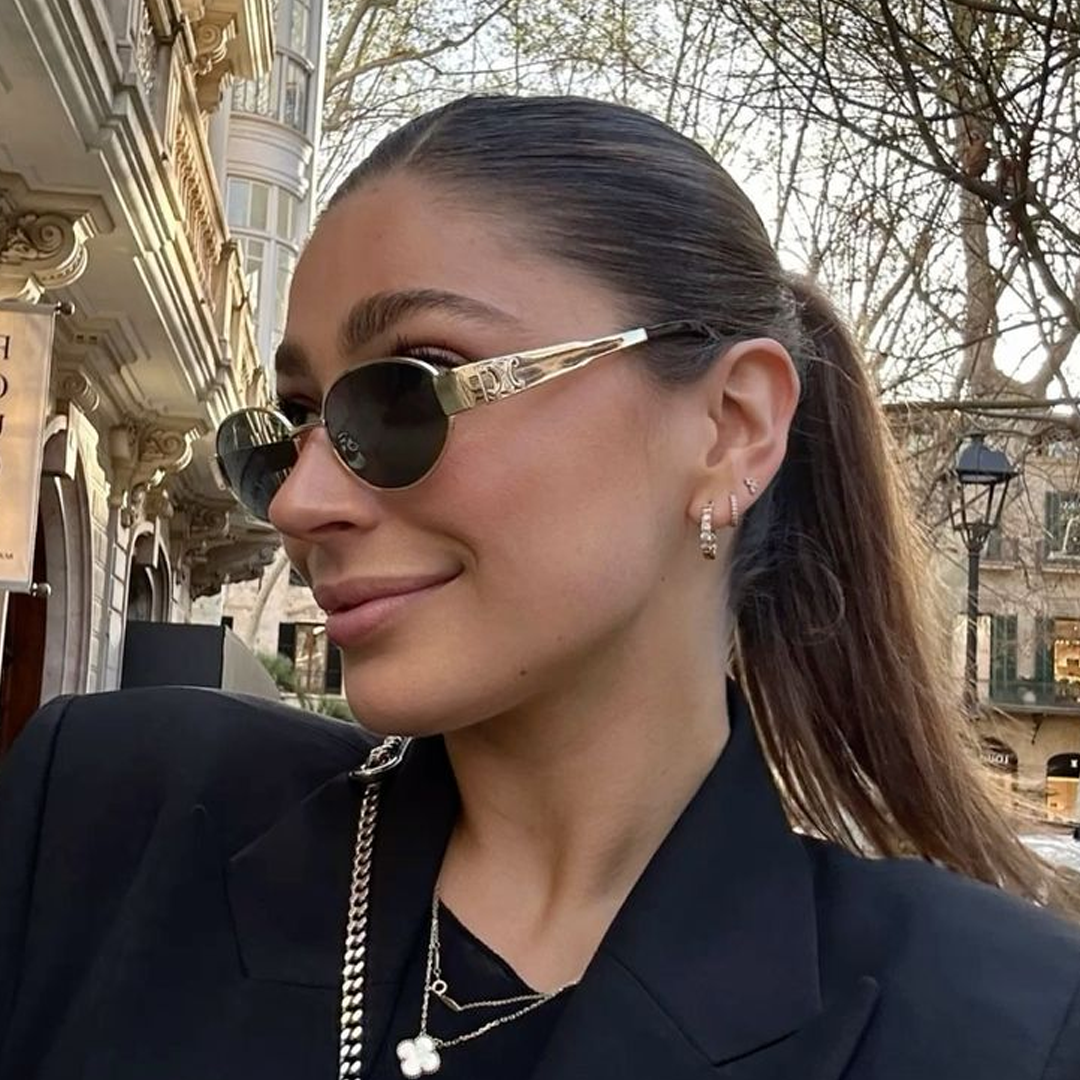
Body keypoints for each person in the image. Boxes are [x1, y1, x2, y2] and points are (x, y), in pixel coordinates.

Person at [2, 94, 1079, 1080]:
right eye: (293, 425)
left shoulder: (996, 1025)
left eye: (408, 391)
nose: (298, 500)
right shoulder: (112, 821)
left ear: (729, 429)